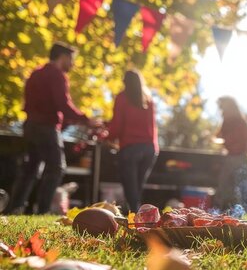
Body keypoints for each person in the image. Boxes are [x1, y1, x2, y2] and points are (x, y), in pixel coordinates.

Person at [9, 42, 98, 214]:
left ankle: (15, 207)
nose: (72, 64)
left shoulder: (35, 74)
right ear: (62, 57)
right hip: (47, 128)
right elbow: (63, 104)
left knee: (30, 168)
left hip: (30, 126)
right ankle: (42, 211)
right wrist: (86, 119)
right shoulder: (57, 75)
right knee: (56, 167)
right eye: (71, 59)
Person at [106, 70, 158, 212]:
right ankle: (138, 217)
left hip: (130, 149)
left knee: (131, 188)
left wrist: (106, 137)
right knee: (137, 187)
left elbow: (117, 125)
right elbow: (152, 126)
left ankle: (134, 217)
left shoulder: (122, 98)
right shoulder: (148, 99)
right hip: (149, 149)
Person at [216, 96, 247, 212]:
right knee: (238, 186)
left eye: (221, 106)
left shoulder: (230, 120)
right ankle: (237, 210)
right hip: (238, 156)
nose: (220, 108)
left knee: (228, 185)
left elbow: (222, 136)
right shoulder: (240, 120)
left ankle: (231, 209)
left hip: (235, 156)